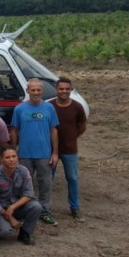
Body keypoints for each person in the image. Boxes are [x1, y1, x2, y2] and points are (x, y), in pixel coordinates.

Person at [10, 79, 59, 226]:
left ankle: (45, 211)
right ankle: (26, 209)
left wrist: (55, 153)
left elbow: (53, 130)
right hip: (25, 154)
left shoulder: (49, 108)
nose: (36, 93)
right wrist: (13, 151)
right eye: (33, 90)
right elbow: (14, 130)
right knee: (23, 184)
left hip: (44, 154)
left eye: (38, 90)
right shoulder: (19, 109)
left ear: (42, 91)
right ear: (27, 91)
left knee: (45, 184)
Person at [49, 77, 88, 222]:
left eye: (67, 89)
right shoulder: (49, 106)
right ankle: (45, 207)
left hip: (70, 149)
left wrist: (72, 136)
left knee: (72, 178)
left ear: (71, 89)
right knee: (48, 178)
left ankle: (75, 207)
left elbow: (82, 125)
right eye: (61, 89)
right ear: (56, 90)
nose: (64, 91)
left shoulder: (77, 107)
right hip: (51, 149)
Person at [0, 146, 42, 245]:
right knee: (4, 232)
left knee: (36, 206)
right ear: (1, 159)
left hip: (16, 208)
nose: (11, 160)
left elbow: (28, 194)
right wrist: (10, 218)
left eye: (14, 156)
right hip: (0, 210)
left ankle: (25, 233)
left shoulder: (23, 171)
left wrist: (12, 207)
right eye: (7, 157)